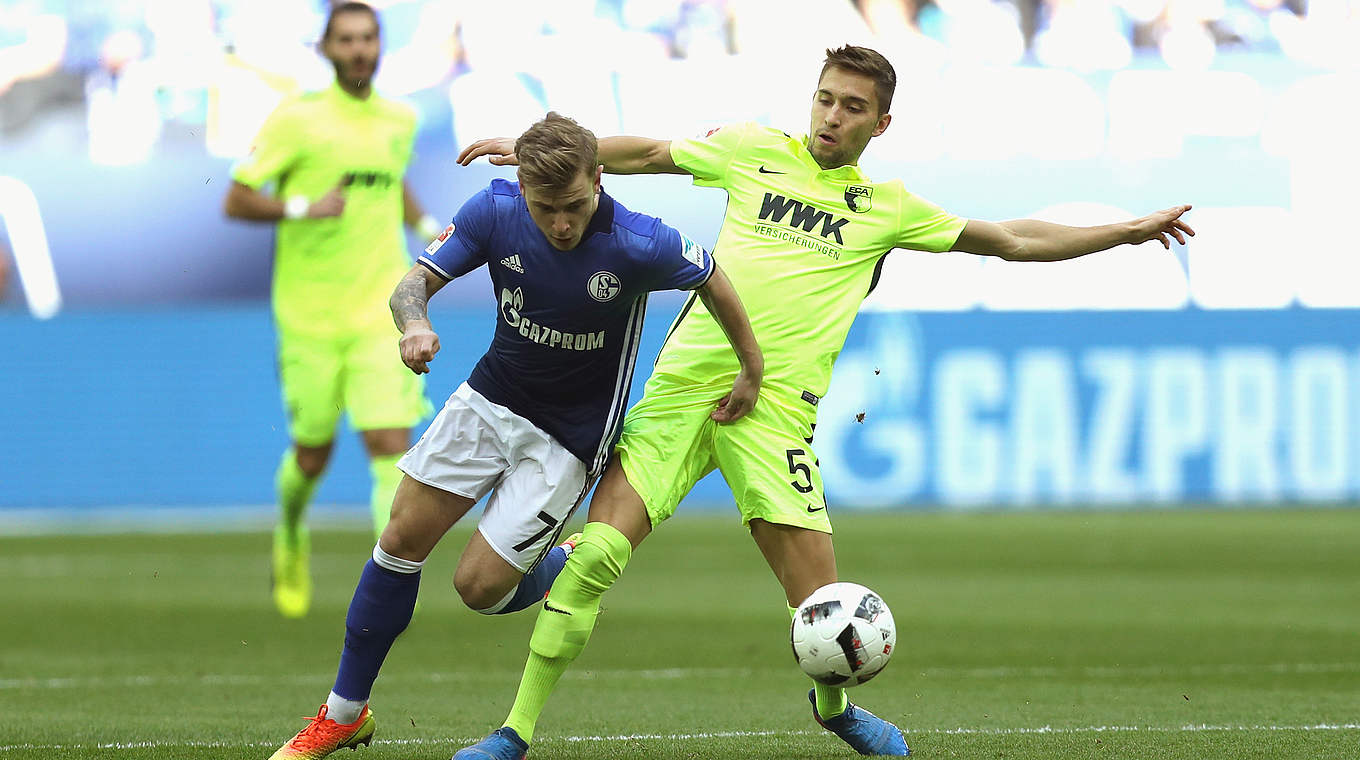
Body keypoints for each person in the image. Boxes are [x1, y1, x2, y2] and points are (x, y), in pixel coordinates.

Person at [453, 43, 1195, 758]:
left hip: (774, 416)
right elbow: (647, 154)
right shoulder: (751, 149)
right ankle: (515, 732)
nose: (832, 117)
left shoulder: (886, 207)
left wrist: (1127, 231)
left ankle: (834, 708)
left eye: (852, 107)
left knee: (826, 612)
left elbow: (1010, 239)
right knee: (596, 558)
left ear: (881, 124)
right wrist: (532, 150)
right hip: (680, 397)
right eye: (825, 99)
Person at [263, 110, 762, 760]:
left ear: (598, 179)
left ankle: (555, 564)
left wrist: (751, 367)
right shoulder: (494, 211)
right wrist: (413, 324)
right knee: (399, 541)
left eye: (576, 205)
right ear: (524, 187)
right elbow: (412, 284)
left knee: (478, 590)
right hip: (490, 400)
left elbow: (713, 278)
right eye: (549, 207)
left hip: (569, 440)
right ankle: (342, 715)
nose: (563, 223)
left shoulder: (642, 242)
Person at [223, 2, 443, 619]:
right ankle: (290, 530)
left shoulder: (399, 118)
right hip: (309, 316)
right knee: (313, 453)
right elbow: (237, 199)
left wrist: (427, 225)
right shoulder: (298, 119)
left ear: (380, 46)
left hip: (380, 310)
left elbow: (390, 180)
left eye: (368, 38)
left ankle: (389, 586)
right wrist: (301, 209)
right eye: (345, 39)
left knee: (388, 443)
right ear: (326, 49)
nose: (358, 49)